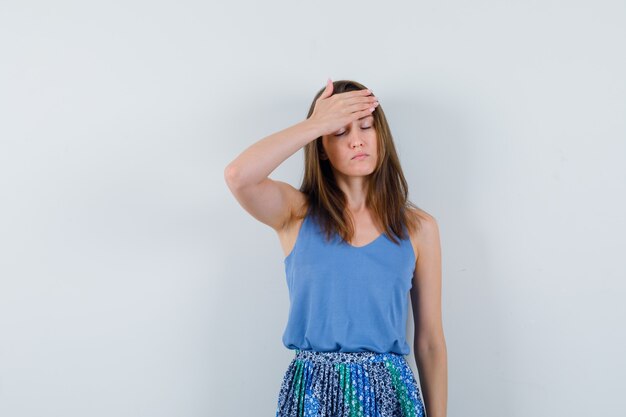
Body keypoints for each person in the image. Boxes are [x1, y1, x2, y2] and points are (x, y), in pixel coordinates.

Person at [224, 79, 447, 417]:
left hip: (389, 395)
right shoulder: (295, 214)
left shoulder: (419, 228)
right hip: (313, 393)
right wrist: (315, 124)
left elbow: (430, 341)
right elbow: (239, 176)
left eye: (367, 126)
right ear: (322, 146)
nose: (357, 140)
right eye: (340, 131)